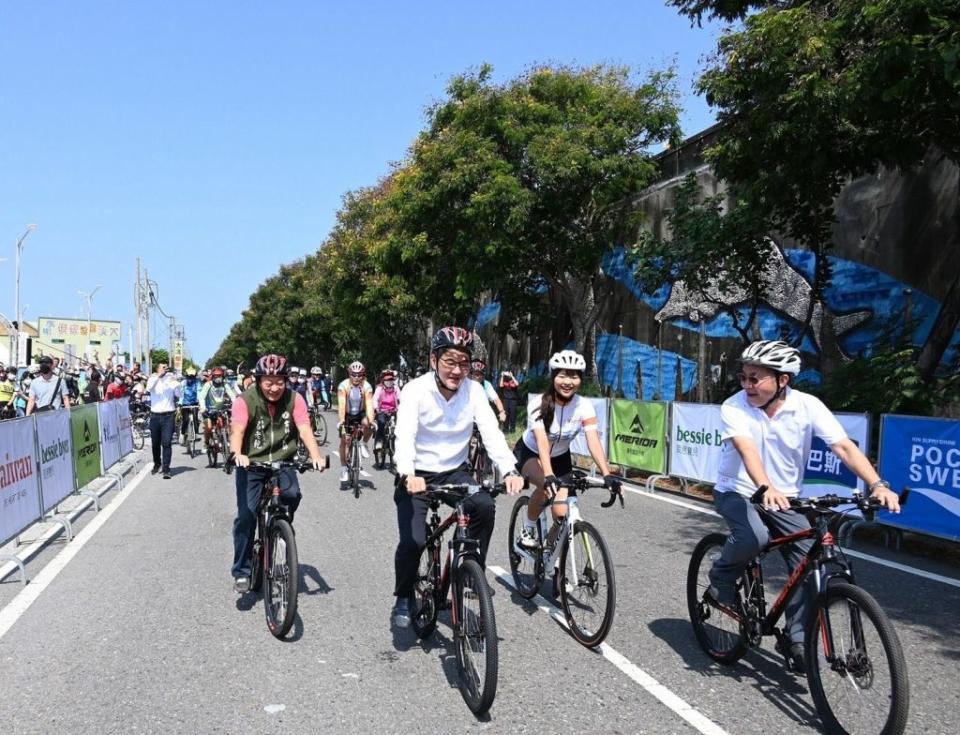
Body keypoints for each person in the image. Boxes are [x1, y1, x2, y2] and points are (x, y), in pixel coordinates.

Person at [707, 340, 901, 671]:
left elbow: (843, 448)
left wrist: (877, 484)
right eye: (744, 377)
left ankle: (796, 637)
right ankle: (721, 577)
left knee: (814, 565)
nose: (747, 385)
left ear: (782, 380)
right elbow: (747, 450)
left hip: (787, 498)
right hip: (737, 491)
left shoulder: (808, 405)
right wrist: (765, 486)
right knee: (754, 536)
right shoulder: (734, 406)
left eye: (756, 378)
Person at [391, 327, 525, 628]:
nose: (457, 370)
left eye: (464, 363)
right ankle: (403, 596)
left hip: (455, 471)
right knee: (413, 541)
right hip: (418, 473)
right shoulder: (415, 389)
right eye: (450, 361)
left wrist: (510, 470)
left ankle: (469, 570)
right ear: (434, 360)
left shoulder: (474, 391)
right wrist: (408, 473)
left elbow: (491, 433)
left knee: (484, 505)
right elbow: (405, 435)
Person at [229, 353, 327, 593]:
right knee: (246, 516)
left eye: (279, 382)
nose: (274, 388)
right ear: (259, 380)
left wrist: (316, 456)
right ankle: (242, 569)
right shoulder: (245, 400)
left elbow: (304, 428)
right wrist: (237, 453)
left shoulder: (295, 399)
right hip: (251, 464)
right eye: (268, 382)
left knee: (292, 495)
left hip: (284, 461)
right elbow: (238, 430)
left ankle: (279, 525)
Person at [514, 350, 620, 549]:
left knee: (562, 512)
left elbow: (593, 441)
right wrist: (548, 475)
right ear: (553, 376)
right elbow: (543, 443)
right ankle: (528, 528)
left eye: (574, 376)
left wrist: (607, 474)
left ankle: (551, 549)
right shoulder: (538, 404)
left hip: (561, 457)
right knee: (546, 489)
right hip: (531, 453)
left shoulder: (584, 406)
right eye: (562, 375)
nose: (568, 382)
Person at [337, 361, 375, 483]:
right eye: (354, 374)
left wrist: (371, 420)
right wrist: (342, 420)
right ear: (349, 374)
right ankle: (343, 468)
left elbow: (369, 405)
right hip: (347, 415)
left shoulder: (367, 386)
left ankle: (364, 443)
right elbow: (342, 405)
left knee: (369, 424)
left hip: (360, 413)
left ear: (363, 375)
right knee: (345, 440)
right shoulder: (343, 386)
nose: (356, 377)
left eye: (359, 375)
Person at [146, 362, 181, 478]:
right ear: (157, 369)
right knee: (155, 443)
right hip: (155, 415)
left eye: (166, 367)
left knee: (166, 443)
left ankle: (166, 468)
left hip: (168, 416)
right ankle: (157, 464)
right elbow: (149, 388)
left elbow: (178, 394)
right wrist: (158, 376)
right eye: (163, 367)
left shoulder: (170, 379)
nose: (165, 369)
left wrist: (176, 382)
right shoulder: (152, 379)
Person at [199, 367, 237, 448]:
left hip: (221, 410)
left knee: (228, 424)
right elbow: (201, 397)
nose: (217, 378)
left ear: (222, 376)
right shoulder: (208, 384)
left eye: (219, 376)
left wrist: (235, 405)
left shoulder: (225, 385)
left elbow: (232, 396)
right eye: (215, 376)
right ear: (212, 376)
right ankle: (206, 443)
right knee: (208, 427)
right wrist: (203, 408)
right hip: (208, 410)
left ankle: (225, 439)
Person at [372, 369, 401, 466]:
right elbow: (375, 399)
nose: (389, 382)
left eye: (391, 380)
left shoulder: (396, 388)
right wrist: (376, 408)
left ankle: (396, 446)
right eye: (387, 380)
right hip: (382, 411)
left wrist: (401, 407)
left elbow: (400, 399)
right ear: (383, 381)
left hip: (393, 411)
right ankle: (379, 442)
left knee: (399, 427)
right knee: (381, 423)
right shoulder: (379, 388)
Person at [469, 359, 507, 424]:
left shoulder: (486, 384)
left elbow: (496, 399)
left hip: (482, 419)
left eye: (481, 374)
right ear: (471, 374)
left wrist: (502, 412)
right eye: (476, 374)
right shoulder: (465, 383)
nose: (478, 377)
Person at [179, 367, 202, 444]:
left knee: (196, 418)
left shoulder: (197, 383)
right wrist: (180, 403)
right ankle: (182, 434)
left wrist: (200, 402)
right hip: (185, 403)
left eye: (192, 377)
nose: (191, 378)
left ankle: (197, 433)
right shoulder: (183, 383)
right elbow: (181, 394)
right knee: (185, 420)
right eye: (189, 376)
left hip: (194, 403)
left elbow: (199, 393)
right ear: (186, 376)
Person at [499, 368, 520, 433]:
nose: (507, 374)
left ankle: (512, 429)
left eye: (509, 372)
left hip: (513, 400)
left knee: (513, 415)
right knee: (506, 414)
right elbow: (501, 385)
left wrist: (512, 376)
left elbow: (517, 384)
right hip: (506, 399)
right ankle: (505, 429)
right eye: (507, 372)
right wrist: (502, 376)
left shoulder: (513, 379)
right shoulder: (504, 380)